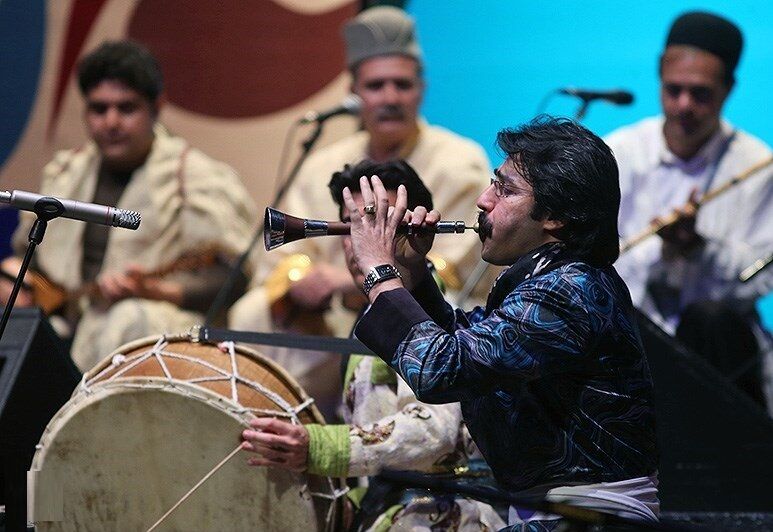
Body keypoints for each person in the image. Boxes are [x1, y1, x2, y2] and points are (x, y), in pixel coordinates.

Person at [336, 117, 659, 530]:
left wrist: (378, 269)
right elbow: (468, 350)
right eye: (493, 182)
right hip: (552, 510)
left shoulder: (569, 289)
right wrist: (413, 273)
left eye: (505, 190)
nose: (483, 200)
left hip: (591, 518)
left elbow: (442, 371)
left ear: (556, 216)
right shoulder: (548, 278)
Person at [229, 5, 492, 419]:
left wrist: (371, 276)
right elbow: (285, 257)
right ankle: (262, 424)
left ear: (420, 89)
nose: (390, 97)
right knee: (252, 310)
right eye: (376, 85)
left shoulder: (459, 161)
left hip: (409, 301)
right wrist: (302, 278)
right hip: (332, 311)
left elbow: (455, 266)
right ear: (355, 93)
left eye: (401, 85)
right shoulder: (324, 163)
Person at [241, 159, 505, 531]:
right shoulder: (366, 321)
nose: (361, 242)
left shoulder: (446, 320)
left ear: (412, 227)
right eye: (352, 226)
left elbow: (434, 432)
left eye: (378, 223)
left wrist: (319, 447)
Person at [0, 40, 256, 371]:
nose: (111, 122)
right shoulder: (66, 173)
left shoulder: (196, 178)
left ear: (156, 107)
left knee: (128, 318)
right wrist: (14, 284)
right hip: (65, 324)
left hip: (152, 327)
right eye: (99, 108)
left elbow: (235, 275)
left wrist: (157, 290)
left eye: (126, 108)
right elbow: (29, 258)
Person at [605, 11, 773, 410]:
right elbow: (597, 266)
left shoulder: (758, 166)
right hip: (633, 333)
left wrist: (698, 248)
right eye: (673, 90)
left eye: (700, 94)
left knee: (711, 319)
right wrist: (662, 250)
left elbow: (757, 282)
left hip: (716, 353)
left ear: (728, 89)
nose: (684, 105)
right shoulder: (619, 153)